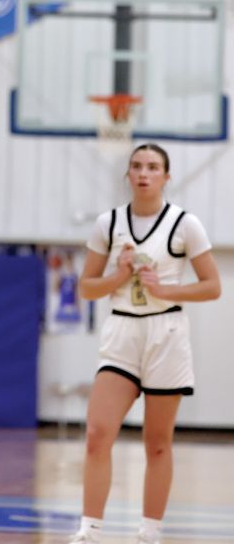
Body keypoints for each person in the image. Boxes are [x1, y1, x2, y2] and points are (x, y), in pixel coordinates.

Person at [68, 143, 221, 544]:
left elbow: (213, 287)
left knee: (157, 442)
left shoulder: (185, 224)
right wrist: (118, 277)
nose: (143, 173)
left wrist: (168, 288)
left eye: (153, 167)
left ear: (166, 177)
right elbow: (86, 288)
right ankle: (90, 529)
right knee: (98, 433)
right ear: (128, 174)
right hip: (122, 331)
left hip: (166, 334)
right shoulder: (109, 223)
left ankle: (150, 531)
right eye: (136, 166)